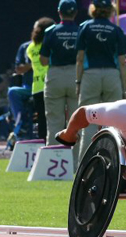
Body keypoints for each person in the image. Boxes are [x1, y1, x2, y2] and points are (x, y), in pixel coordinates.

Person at [75, 0, 126, 164]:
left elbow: (79, 58)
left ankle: (84, 164)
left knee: (88, 121)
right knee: (113, 122)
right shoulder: (116, 29)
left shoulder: (84, 26)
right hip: (112, 75)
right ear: (110, 10)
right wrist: (123, 86)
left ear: (93, 9)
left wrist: (78, 81)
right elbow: (122, 62)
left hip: (91, 75)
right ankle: (111, 163)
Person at [40, 0, 79, 148]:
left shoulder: (50, 31)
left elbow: (43, 60)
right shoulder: (80, 30)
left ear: (59, 12)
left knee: (54, 121)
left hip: (55, 75)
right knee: (77, 122)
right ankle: (76, 164)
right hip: (75, 75)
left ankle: (52, 161)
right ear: (75, 13)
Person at [27, 17, 55, 140]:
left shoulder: (30, 48)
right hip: (51, 84)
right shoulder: (50, 45)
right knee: (55, 117)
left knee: (41, 118)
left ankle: (44, 143)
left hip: (37, 87)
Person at [8, 40, 34, 139]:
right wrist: (34, 63)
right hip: (29, 89)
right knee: (12, 92)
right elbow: (18, 69)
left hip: (48, 88)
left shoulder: (50, 44)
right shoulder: (25, 47)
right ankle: (22, 125)